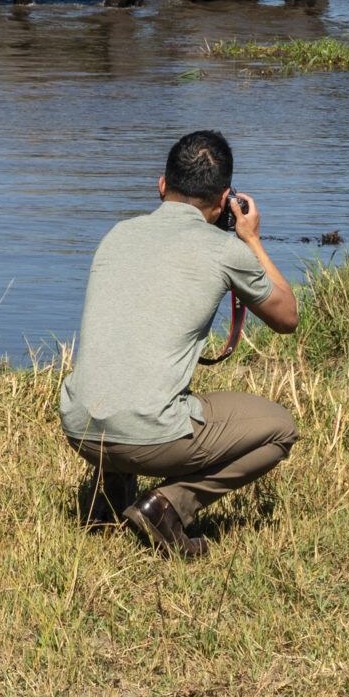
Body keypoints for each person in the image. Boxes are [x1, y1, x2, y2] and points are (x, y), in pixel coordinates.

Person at [60, 129, 301, 559]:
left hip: (80, 427)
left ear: (161, 185)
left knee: (132, 376)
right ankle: (168, 505)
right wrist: (251, 239)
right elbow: (287, 317)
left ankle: (109, 499)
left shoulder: (117, 234)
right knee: (280, 429)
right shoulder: (224, 249)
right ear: (226, 199)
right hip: (148, 434)